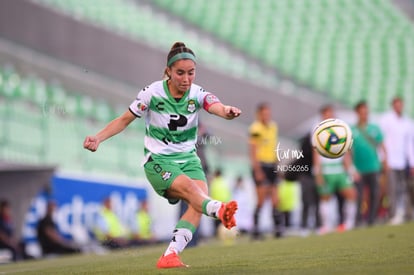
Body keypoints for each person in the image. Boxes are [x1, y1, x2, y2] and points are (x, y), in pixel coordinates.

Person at [83, 42, 241, 268]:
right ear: (168, 71)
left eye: (191, 73)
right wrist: (98, 138)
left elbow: (215, 105)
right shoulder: (151, 93)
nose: (186, 79)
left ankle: (170, 255)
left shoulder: (197, 94)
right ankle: (221, 210)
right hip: (158, 161)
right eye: (180, 73)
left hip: (189, 159)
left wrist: (227, 112)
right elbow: (123, 120)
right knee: (193, 191)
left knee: (197, 204)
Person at [313, 105, 359, 234]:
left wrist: (351, 169)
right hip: (326, 169)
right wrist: (318, 172)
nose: (329, 116)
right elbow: (315, 153)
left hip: (340, 169)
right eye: (326, 114)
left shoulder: (341, 128)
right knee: (325, 198)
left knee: (351, 195)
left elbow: (346, 152)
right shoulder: (317, 130)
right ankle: (326, 226)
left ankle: (349, 223)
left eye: (331, 113)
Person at [249, 102, 283, 239]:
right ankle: (256, 230)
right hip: (261, 166)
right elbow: (253, 150)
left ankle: (278, 229)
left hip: (272, 165)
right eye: (264, 114)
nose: (266, 116)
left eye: (268, 113)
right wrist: (257, 170)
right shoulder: (255, 128)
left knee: (276, 199)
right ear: (259, 114)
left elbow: (275, 146)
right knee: (261, 200)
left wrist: (278, 164)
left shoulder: (273, 126)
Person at [351, 100, 387, 226]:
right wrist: (351, 169)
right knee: (359, 196)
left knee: (374, 194)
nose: (364, 115)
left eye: (366, 112)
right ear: (357, 113)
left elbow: (382, 147)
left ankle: (372, 219)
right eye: (362, 112)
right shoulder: (352, 130)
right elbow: (348, 152)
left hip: (374, 167)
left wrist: (385, 163)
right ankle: (358, 220)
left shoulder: (374, 128)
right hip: (358, 169)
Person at [380, 96, 414, 225]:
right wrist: (384, 160)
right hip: (391, 161)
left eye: (401, 104)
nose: (399, 107)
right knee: (392, 189)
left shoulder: (407, 122)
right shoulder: (386, 120)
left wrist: (412, 162)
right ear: (393, 105)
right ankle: (393, 214)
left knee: (405, 189)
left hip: (404, 161)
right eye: (397, 104)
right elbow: (382, 141)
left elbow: (410, 144)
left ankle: (406, 213)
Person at [297, 133, 321, 234]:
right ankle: (304, 226)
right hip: (306, 175)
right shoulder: (307, 140)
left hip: (317, 175)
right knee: (306, 202)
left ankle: (318, 225)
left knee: (317, 202)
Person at [210, 168, 232, 235]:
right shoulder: (224, 181)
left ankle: (218, 234)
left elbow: (212, 193)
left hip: (216, 203)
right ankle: (226, 233)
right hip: (225, 202)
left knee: (217, 221)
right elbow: (228, 193)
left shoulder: (214, 182)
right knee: (224, 220)